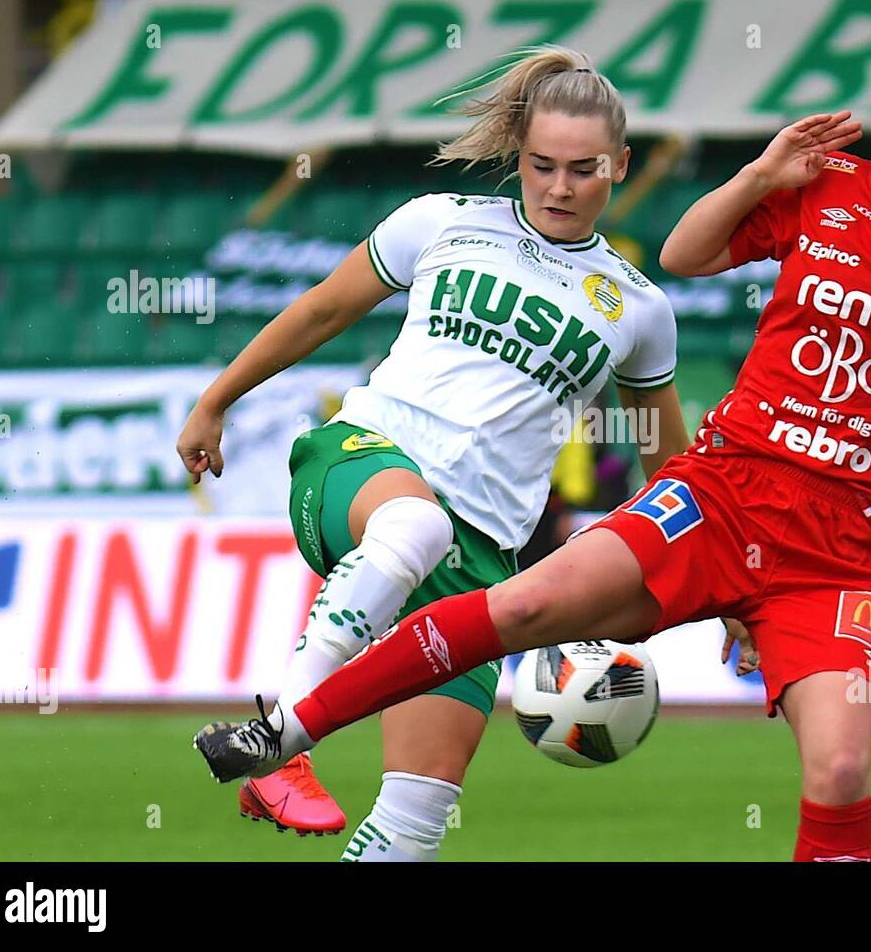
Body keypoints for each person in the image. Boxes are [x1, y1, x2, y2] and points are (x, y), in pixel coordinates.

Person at [194, 4, 871, 862]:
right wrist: (761, 174)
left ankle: (298, 732)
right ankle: (284, 731)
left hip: (837, 542)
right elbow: (688, 251)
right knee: (485, 580)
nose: (559, 185)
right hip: (707, 489)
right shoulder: (817, 194)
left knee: (842, 771)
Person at [180, 46, 717, 861]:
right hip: (361, 462)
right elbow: (324, 310)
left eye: (584, 169)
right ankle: (280, 739)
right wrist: (217, 400)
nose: (561, 187)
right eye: (541, 165)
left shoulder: (639, 309)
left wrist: (718, 591)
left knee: (414, 823)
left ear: (622, 165)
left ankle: (281, 743)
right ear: (519, 156)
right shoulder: (442, 219)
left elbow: (664, 462)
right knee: (412, 528)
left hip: (479, 562)